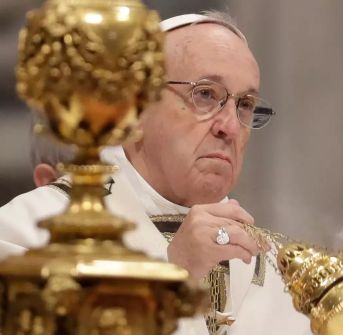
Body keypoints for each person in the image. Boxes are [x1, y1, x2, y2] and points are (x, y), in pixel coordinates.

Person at [0, 11, 310, 335]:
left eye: (244, 104)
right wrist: (173, 276)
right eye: (205, 94)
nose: (230, 127)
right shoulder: (30, 231)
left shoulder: (277, 271)